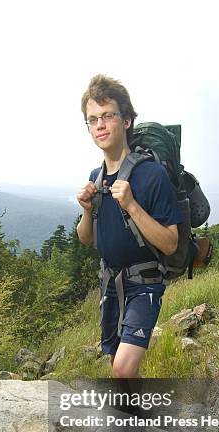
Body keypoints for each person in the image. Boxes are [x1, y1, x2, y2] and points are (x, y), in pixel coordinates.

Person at [76, 75, 182, 378]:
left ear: (126, 121)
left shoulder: (151, 175)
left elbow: (170, 243)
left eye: (108, 115)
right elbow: (87, 239)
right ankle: (133, 421)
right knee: (115, 362)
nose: (100, 125)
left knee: (123, 368)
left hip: (145, 283)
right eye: (92, 119)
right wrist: (86, 211)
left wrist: (133, 205)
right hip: (110, 282)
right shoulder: (96, 176)